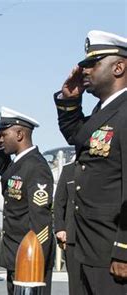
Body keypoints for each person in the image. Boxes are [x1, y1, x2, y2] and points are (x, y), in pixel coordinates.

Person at [54, 30, 127, 294]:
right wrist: (71, 100)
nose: (84, 71)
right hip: (89, 249)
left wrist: (124, 249)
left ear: (118, 67)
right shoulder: (104, 111)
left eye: (93, 64)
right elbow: (78, 136)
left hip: (113, 252)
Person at [0, 107, 54, 295]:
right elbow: (7, 176)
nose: (0, 139)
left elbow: (41, 222)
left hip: (30, 258)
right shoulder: (19, 164)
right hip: (15, 254)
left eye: (4, 134)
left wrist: (35, 258)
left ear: (19, 134)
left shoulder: (36, 167)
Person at [53, 162, 81, 294]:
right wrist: (60, 228)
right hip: (73, 236)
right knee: (75, 283)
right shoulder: (68, 170)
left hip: (97, 237)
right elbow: (59, 202)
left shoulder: (102, 166)